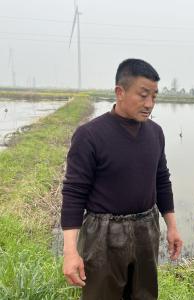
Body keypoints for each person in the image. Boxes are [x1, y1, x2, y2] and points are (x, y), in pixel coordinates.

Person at [61, 58, 183, 300]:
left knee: (144, 295)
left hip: (146, 230)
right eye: (143, 95)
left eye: (154, 97)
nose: (150, 104)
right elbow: (74, 194)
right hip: (103, 234)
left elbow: (162, 180)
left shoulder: (155, 133)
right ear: (120, 92)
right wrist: (70, 251)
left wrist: (172, 227)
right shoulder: (90, 136)